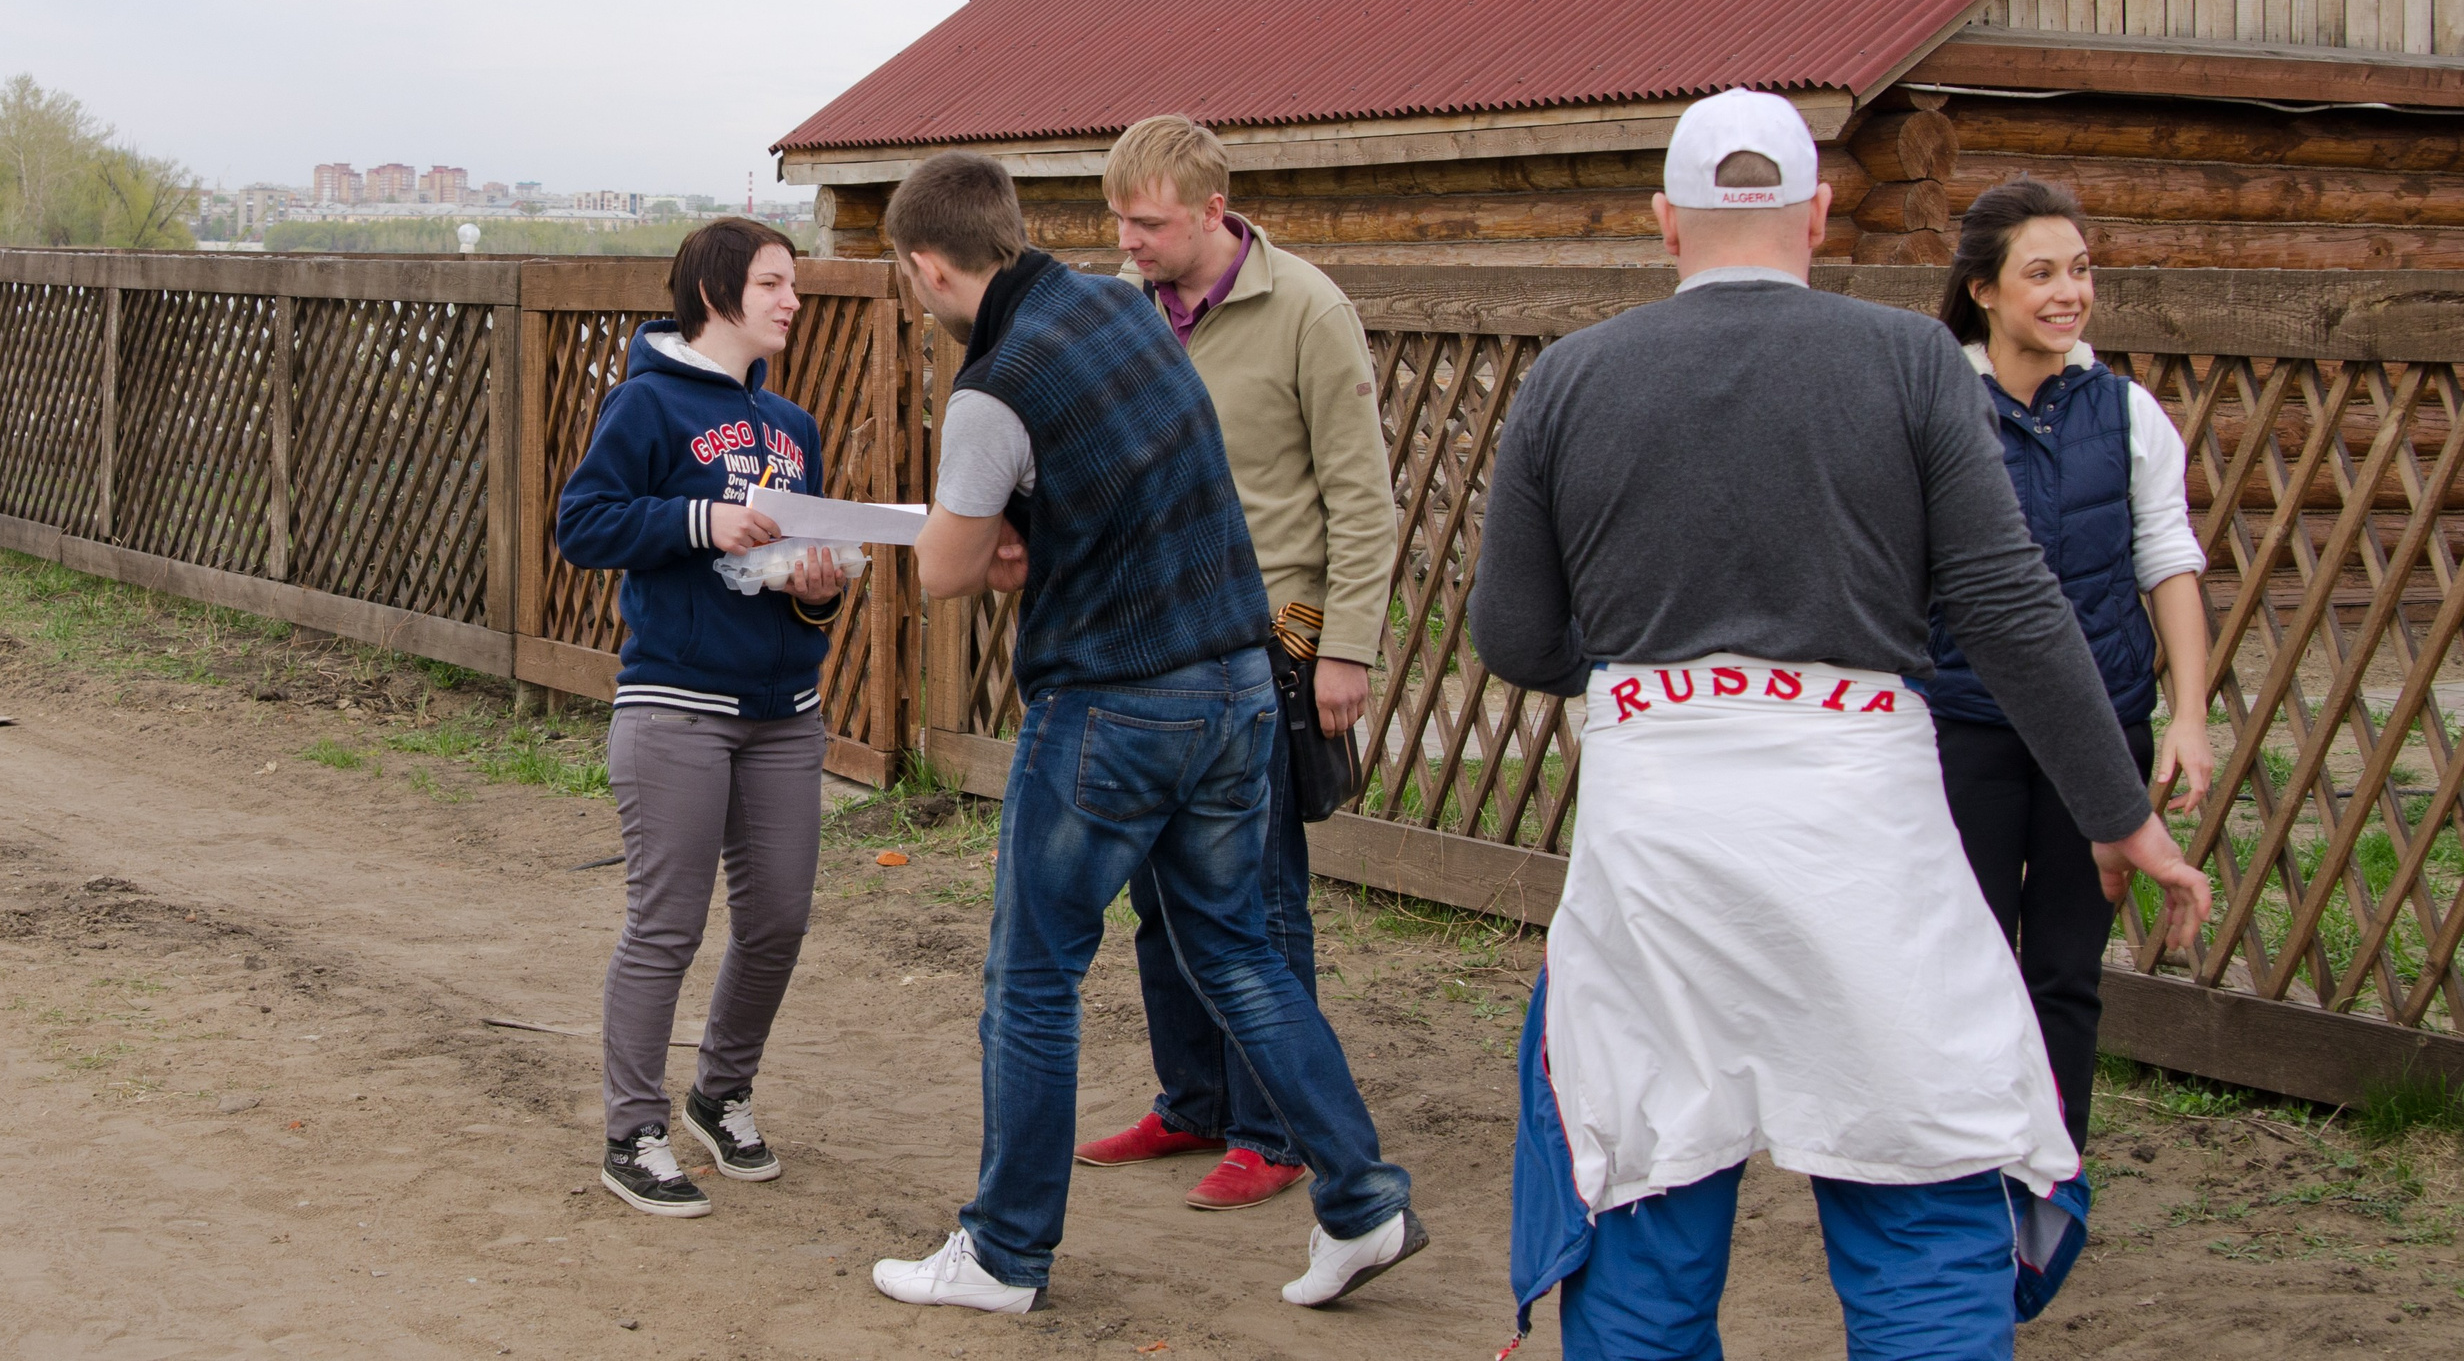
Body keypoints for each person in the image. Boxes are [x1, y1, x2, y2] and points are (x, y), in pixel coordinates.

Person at [1468, 90, 2212, 1359]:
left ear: (1664, 223)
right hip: (1858, 811)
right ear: (1818, 214)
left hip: (1660, 825)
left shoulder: (1570, 379)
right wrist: (2121, 814)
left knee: (1646, 1173)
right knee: (1915, 1164)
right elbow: (2006, 604)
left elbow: (1516, 639)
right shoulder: (1910, 361)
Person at [867, 151, 1423, 1314]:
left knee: (1030, 978)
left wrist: (987, 535)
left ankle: (1004, 1252)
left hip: (1113, 706)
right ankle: (1364, 1199)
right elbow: (1122, 488)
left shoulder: (995, 384)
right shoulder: (1120, 314)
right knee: (1238, 950)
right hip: (1236, 682)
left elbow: (945, 572)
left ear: (927, 266)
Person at [1070, 114, 1398, 1212]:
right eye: (1117, 218)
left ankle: (1278, 1128)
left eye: (1149, 221)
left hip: (1270, 639)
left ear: (1215, 209)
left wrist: (1347, 647)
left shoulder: (1305, 307)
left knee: (1254, 894)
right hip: (1144, 638)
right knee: (1157, 890)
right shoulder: (1123, 309)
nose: (1128, 240)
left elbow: (1360, 494)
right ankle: (1193, 1099)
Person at [555, 218, 850, 1218]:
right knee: (667, 923)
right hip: (675, 704)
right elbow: (583, 523)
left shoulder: (794, 426)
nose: (791, 301)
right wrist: (699, 518)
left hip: (784, 710)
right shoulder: (644, 402)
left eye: (793, 284)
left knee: (777, 917)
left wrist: (816, 584)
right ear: (720, 291)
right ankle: (630, 1129)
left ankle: (719, 1093)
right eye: (774, 282)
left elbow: (790, 579)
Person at [1926, 177, 2214, 1154]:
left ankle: (2051, 1169)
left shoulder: (2127, 414)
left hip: (2096, 732)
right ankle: (1960, 1164)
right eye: (2039, 272)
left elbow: (2167, 559)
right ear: (1983, 290)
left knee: (2063, 966)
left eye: (2079, 271)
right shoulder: (1934, 411)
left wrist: (2185, 713)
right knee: (1959, 957)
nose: (2067, 292)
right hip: (1961, 725)